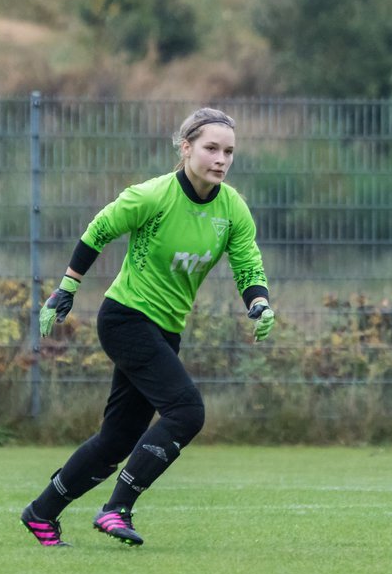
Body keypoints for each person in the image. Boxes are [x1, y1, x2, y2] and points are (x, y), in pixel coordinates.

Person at [21, 107, 276, 547]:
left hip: (165, 330)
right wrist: (65, 288)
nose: (221, 159)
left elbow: (246, 261)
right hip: (125, 318)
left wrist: (259, 302)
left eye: (229, 151)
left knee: (118, 438)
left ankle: (42, 513)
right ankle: (116, 509)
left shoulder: (232, 207)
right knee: (186, 411)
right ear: (186, 148)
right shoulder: (153, 195)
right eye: (211, 148)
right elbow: (99, 230)